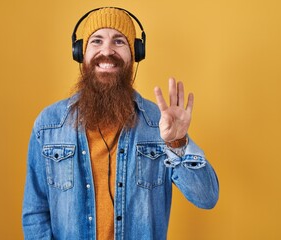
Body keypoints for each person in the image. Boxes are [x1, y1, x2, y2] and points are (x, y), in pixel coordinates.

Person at [22, 7, 219, 240]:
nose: (107, 51)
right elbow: (35, 213)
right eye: (96, 41)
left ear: (135, 53)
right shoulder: (49, 125)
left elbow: (206, 197)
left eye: (119, 41)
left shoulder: (159, 123)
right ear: (80, 53)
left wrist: (178, 143)